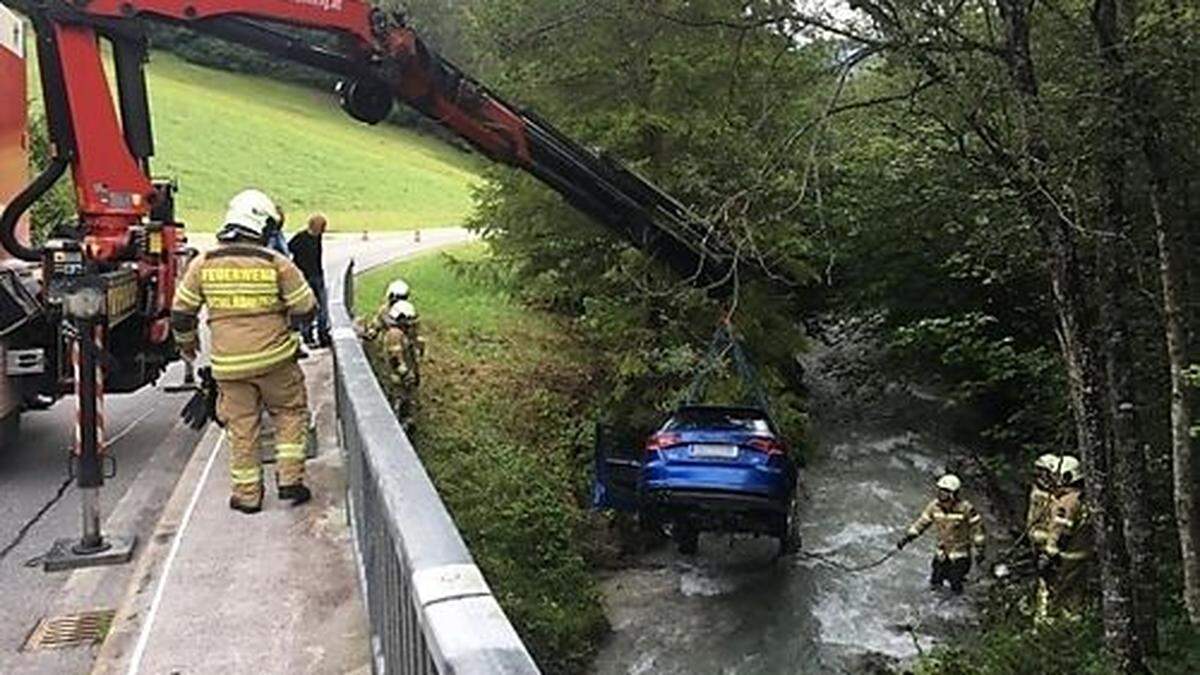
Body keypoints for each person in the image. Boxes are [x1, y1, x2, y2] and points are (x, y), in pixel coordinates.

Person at [171, 189, 317, 514]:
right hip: (276, 362)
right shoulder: (275, 263)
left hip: (229, 368)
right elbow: (306, 307)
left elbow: (181, 314)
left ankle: (247, 496)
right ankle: (290, 480)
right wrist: (287, 325)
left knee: (242, 428)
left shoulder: (203, 264)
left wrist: (187, 344)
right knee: (290, 413)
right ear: (261, 226)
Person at [897, 474, 987, 594]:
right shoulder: (934, 507)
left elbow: (978, 530)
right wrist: (907, 537)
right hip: (941, 553)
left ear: (953, 494)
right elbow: (922, 523)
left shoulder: (966, 509)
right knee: (935, 582)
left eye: (945, 493)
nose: (941, 496)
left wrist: (980, 550)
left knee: (955, 583)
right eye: (940, 492)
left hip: (960, 555)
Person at [1035, 455, 1089, 623]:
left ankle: (1046, 627)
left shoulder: (1066, 502)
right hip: (1080, 554)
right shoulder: (1082, 498)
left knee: (1050, 591)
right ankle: (1073, 625)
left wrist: (1050, 556)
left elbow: (1062, 531)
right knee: (1074, 593)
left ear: (1067, 476)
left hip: (1065, 556)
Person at [288, 213, 331, 348]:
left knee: (323, 307)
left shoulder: (318, 237)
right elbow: (289, 250)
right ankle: (307, 335)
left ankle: (323, 334)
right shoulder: (300, 238)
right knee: (308, 307)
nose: (323, 230)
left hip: (317, 275)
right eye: (322, 227)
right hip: (305, 277)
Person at [380, 299, 422, 425]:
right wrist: (407, 375)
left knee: (407, 407)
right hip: (397, 384)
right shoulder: (394, 335)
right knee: (398, 409)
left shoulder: (403, 335)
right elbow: (395, 360)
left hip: (403, 383)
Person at [1027, 453, 1060, 552]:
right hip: (1040, 538)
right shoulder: (1039, 492)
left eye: (1043, 471)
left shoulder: (1057, 493)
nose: (1040, 475)